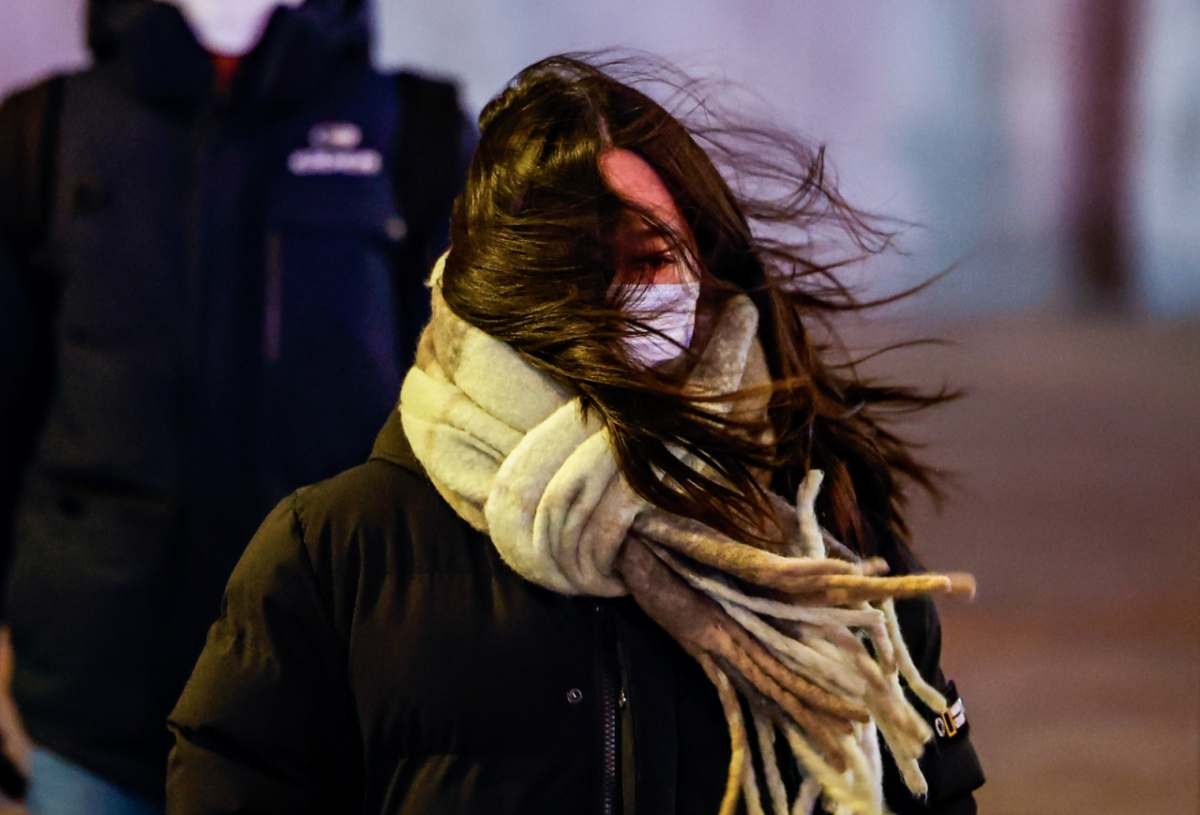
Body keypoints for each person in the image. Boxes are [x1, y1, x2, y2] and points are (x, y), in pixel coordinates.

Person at [166, 55, 985, 815]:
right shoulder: (338, 554)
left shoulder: (819, 547)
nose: (617, 298)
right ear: (504, 283)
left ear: (704, 265)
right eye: (575, 269)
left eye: (649, 258)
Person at [0, 0, 472, 811]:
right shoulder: (40, 132)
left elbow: (463, 432)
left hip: (330, 715)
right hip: (88, 721)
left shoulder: (417, 134)